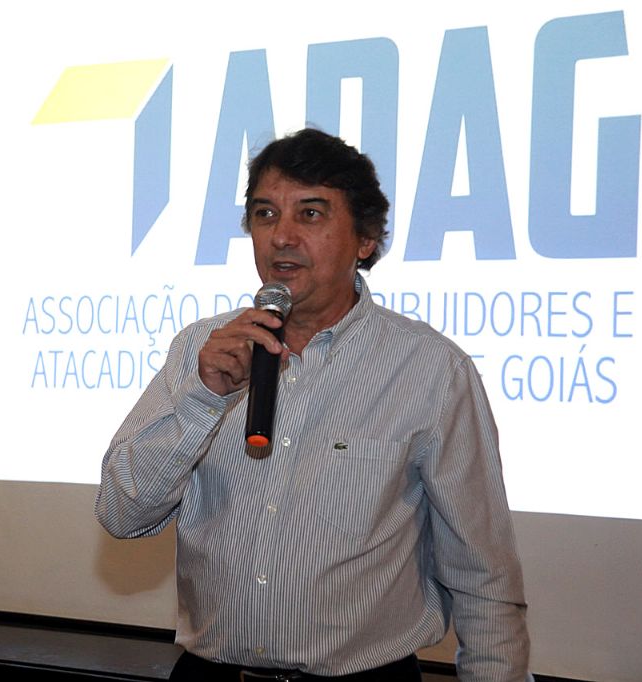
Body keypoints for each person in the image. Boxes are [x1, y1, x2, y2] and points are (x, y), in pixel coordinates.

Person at [96, 128, 531, 681]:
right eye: (265, 214)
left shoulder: (430, 370)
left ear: (365, 238)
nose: (281, 237)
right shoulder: (201, 353)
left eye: (310, 214)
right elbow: (122, 513)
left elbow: (482, 577)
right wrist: (203, 400)